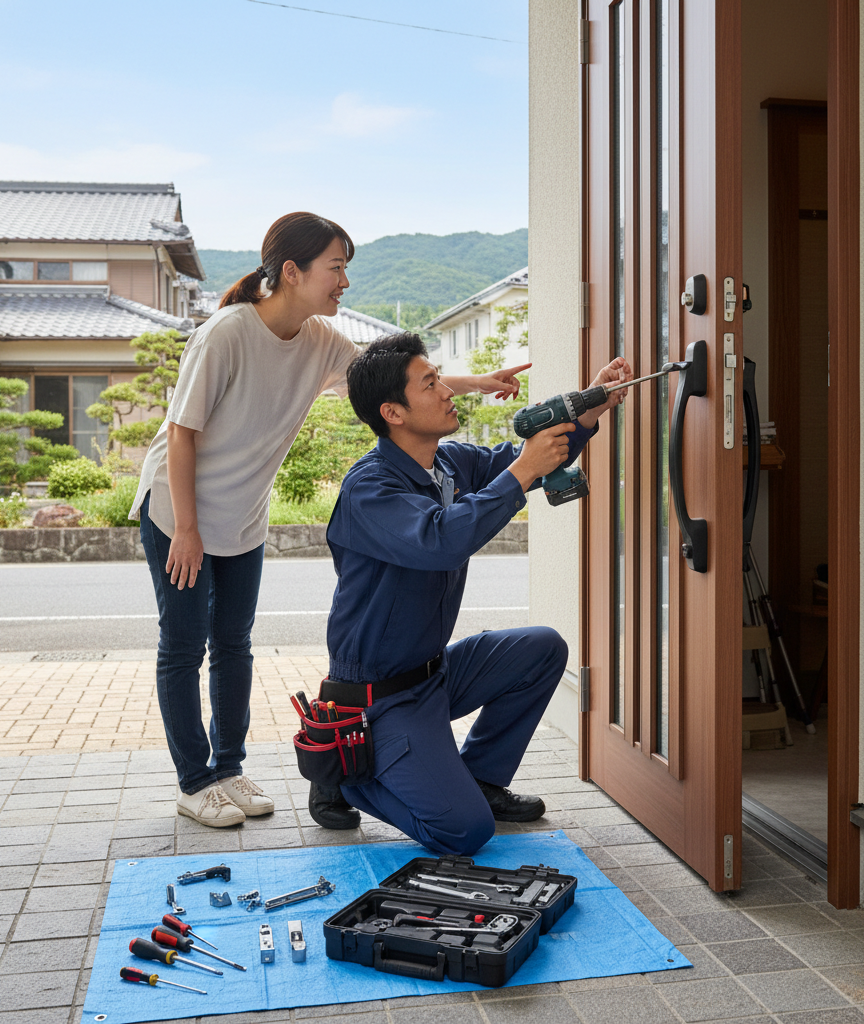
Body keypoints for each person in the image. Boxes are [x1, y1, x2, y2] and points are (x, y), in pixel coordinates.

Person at [130, 212, 530, 828]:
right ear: (292, 272)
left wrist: (477, 382)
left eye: (347, 267)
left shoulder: (319, 340)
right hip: (177, 508)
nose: (344, 281)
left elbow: (386, 383)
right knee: (184, 646)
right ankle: (195, 781)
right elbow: (181, 434)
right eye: (335, 267)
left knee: (234, 643)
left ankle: (229, 770)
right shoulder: (227, 333)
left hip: (242, 515)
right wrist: (186, 529)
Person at [314, 332, 631, 855]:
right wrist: (524, 469)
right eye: (430, 383)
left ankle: (481, 777)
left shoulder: (447, 462)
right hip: (378, 697)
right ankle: (348, 774)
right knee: (464, 832)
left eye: (439, 378)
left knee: (542, 647)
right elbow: (441, 539)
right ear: (392, 412)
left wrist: (591, 405)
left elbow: (529, 458)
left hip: (432, 674)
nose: (447, 391)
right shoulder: (369, 490)